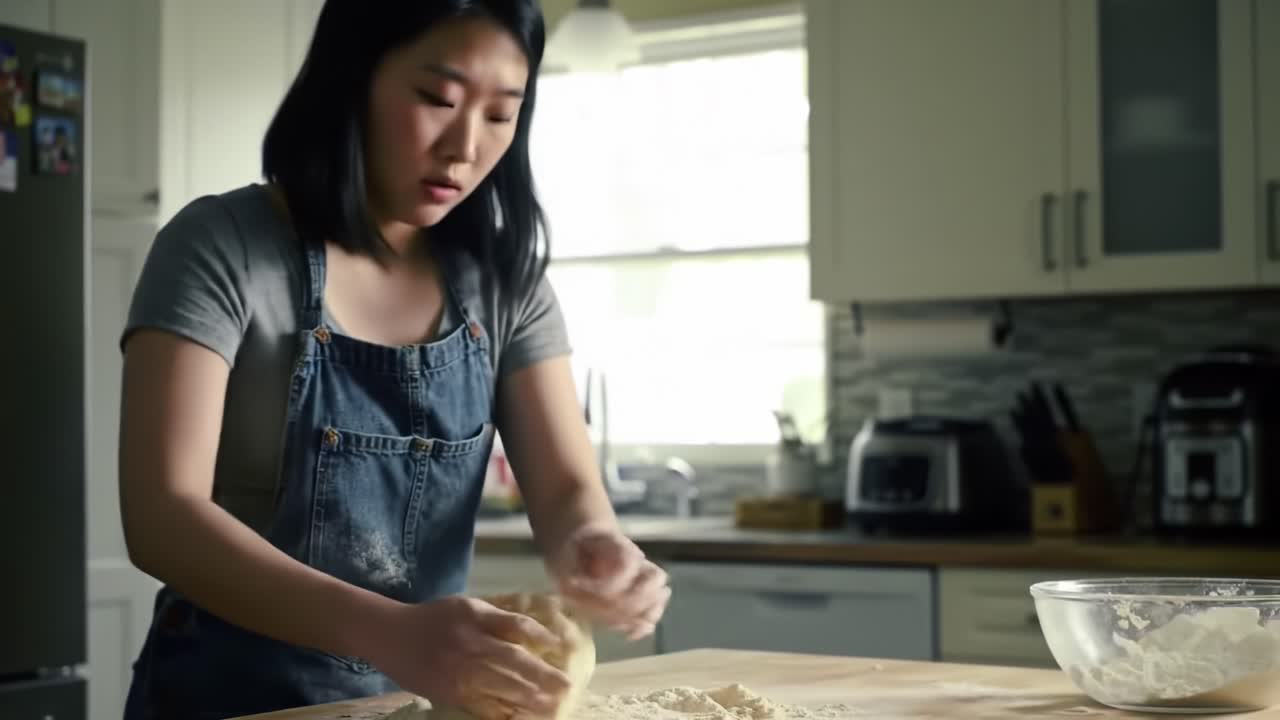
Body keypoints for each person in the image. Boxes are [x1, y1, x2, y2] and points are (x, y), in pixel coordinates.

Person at [117, 2, 670, 718]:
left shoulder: (505, 285)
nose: (465, 146)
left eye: (501, 114)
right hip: (224, 702)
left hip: (416, 705)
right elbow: (163, 516)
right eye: (436, 99)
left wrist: (594, 545)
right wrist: (390, 633)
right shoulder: (222, 248)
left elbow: (566, 492)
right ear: (352, 83)